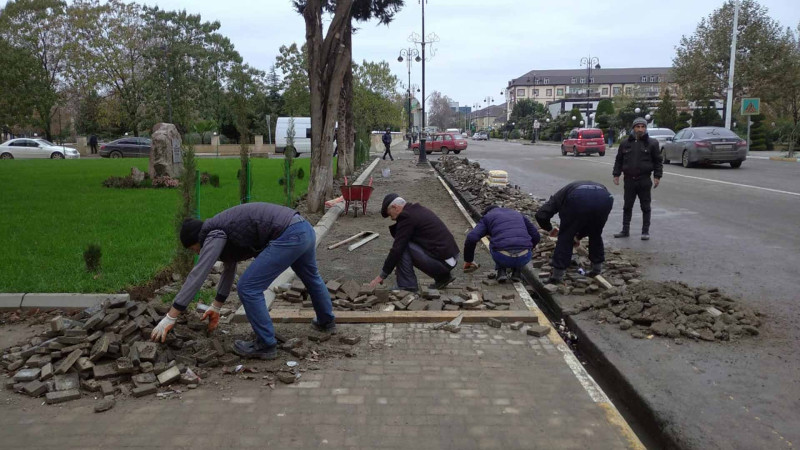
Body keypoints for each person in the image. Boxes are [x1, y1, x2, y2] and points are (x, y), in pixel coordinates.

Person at [151, 202, 335, 359]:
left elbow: (198, 274)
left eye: (194, 249)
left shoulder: (212, 234)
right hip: (303, 228)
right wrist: (216, 307)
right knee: (311, 277)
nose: (197, 253)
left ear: (197, 240)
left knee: (248, 286)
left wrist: (170, 316)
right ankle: (326, 321)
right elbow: (229, 267)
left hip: (289, 234)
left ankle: (265, 344)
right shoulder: (222, 232)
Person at [369, 193, 459, 292]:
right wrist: (400, 266)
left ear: (395, 207)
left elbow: (397, 249)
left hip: (444, 262)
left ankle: (407, 286)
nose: (392, 218)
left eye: (390, 214)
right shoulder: (415, 210)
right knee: (403, 245)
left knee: (402, 247)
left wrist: (382, 275)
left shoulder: (406, 217)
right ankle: (443, 278)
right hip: (449, 258)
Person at [534, 181, 614, 284]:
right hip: (605, 198)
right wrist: (579, 236)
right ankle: (596, 270)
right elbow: (588, 221)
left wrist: (550, 229)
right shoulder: (568, 191)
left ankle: (557, 277)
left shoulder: (559, 196)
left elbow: (541, 215)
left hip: (578, 197)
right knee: (595, 233)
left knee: (565, 236)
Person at [612, 117, 663, 240]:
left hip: (644, 180)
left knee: (645, 206)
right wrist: (616, 174)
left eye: (643, 127)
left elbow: (658, 162)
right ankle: (625, 230)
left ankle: (645, 231)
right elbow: (619, 160)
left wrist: (657, 176)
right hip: (629, 180)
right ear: (633, 128)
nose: (640, 129)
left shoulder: (652, 143)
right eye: (637, 127)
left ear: (645, 128)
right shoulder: (625, 143)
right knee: (627, 206)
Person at [463, 205, 541, 283]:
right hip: (524, 257)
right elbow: (536, 236)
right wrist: (530, 248)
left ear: (486, 213)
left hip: (502, 257)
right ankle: (517, 273)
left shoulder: (487, 217)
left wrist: (468, 260)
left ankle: (501, 271)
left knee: (495, 242)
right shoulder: (517, 214)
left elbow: (471, 238)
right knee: (518, 243)